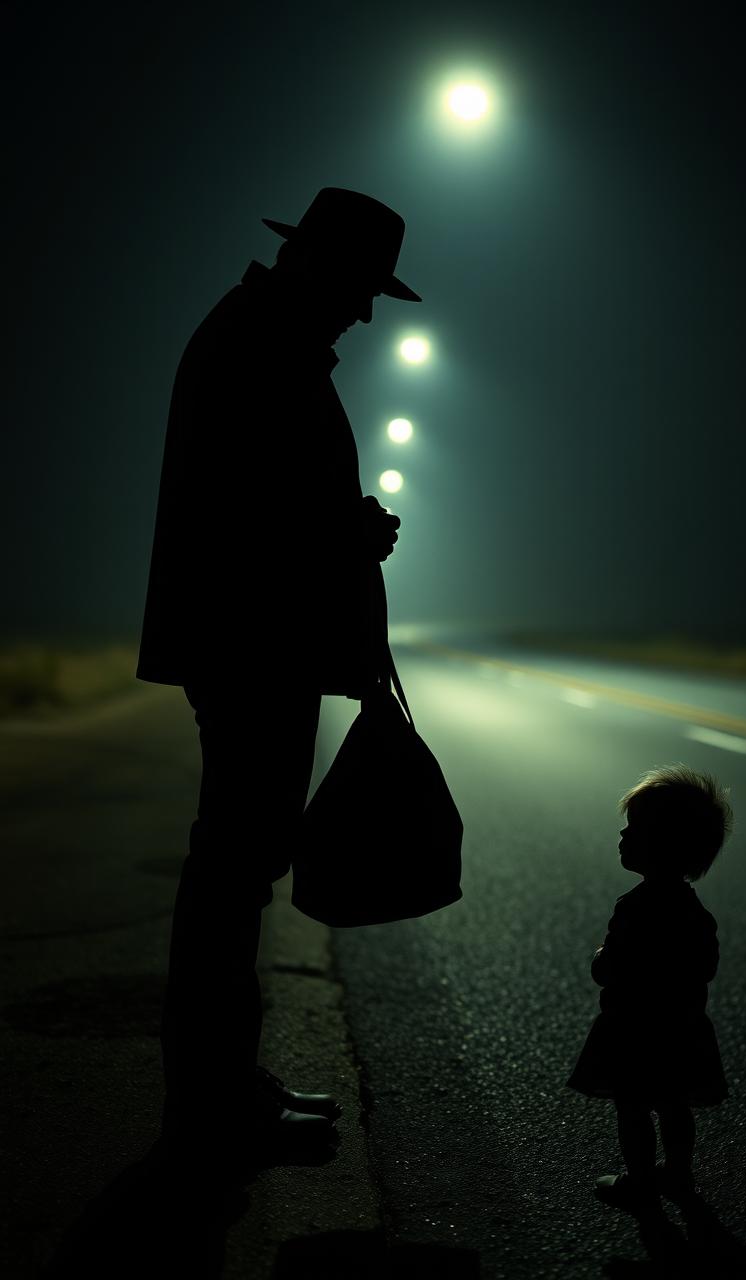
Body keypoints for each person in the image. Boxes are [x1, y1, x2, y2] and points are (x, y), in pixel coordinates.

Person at [135, 187, 421, 1164]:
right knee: (230, 876)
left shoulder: (260, 336)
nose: (367, 310)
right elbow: (247, 511)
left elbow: (259, 498)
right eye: (364, 286)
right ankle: (212, 1109)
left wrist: (339, 530)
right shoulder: (260, 345)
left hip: (252, 641)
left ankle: (222, 1093)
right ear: (320, 265)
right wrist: (346, 529)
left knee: (235, 874)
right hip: (250, 644)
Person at [566, 764, 732, 1213]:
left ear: (662, 844)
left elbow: (611, 969)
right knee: (674, 1105)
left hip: (633, 1028)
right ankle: (678, 1172)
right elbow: (706, 966)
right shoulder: (695, 912)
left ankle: (639, 1180)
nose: (622, 837)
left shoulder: (635, 907)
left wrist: (600, 958)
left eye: (633, 830)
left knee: (633, 1107)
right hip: (682, 1027)